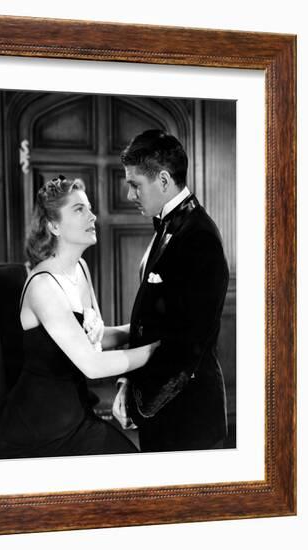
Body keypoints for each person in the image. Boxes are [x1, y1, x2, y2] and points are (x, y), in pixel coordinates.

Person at [0, 175, 159, 459]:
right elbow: (92, 365)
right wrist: (157, 351)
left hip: (76, 413)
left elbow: (95, 340)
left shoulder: (80, 268)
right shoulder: (43, 285)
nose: (93, 216)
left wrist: (144, 330)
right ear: (54, 226)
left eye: (89, 207)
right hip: (40, 429)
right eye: (79, 209)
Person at [112, 129, 229, 452]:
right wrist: (127, 382)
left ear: (163, 180)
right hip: (162, 403)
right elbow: (153, 324)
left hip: (188, 415)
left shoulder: (199, 238)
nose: (129, 194)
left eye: (135, 184)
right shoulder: (168, 225)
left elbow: (186, 348)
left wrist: (138, 404)